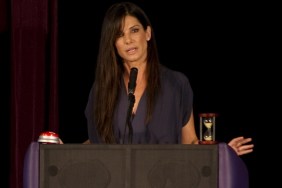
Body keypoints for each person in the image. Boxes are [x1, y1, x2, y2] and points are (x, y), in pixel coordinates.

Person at [82, 2, 253, 156]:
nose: (128, 40)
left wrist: (220, 154)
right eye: (119, 34)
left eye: (134, 30)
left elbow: (190, 143)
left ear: (147, 33)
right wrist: (62, 151)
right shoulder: (101, 89)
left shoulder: (176, 84)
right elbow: (96, 145)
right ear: (112, 42)